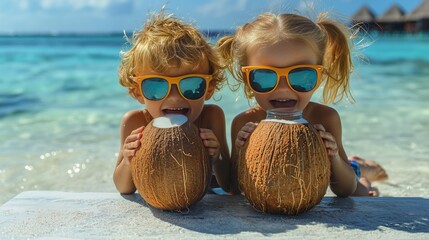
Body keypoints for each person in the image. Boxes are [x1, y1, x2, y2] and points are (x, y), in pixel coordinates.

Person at [218, 12, 387, 197]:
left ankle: (360, 169)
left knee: (363, 193)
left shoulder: (324, 119)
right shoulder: (245, 123)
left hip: (347, 177)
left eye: (300, 75)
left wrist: (334, 157)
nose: (283, 88)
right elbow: (235, 188)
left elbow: (344, 189)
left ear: (319, 75)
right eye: (265, 76)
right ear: (247, 78)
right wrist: (241, 151)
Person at [113, 12, 231, 194]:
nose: (175, 97)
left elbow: (229, 185)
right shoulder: (135, 123)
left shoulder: (211, 117)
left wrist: (217, 157)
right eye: (156, 86)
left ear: (209, 88)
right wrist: (129, 161)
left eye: (191, 84)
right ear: (138, 92)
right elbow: (123, 188)